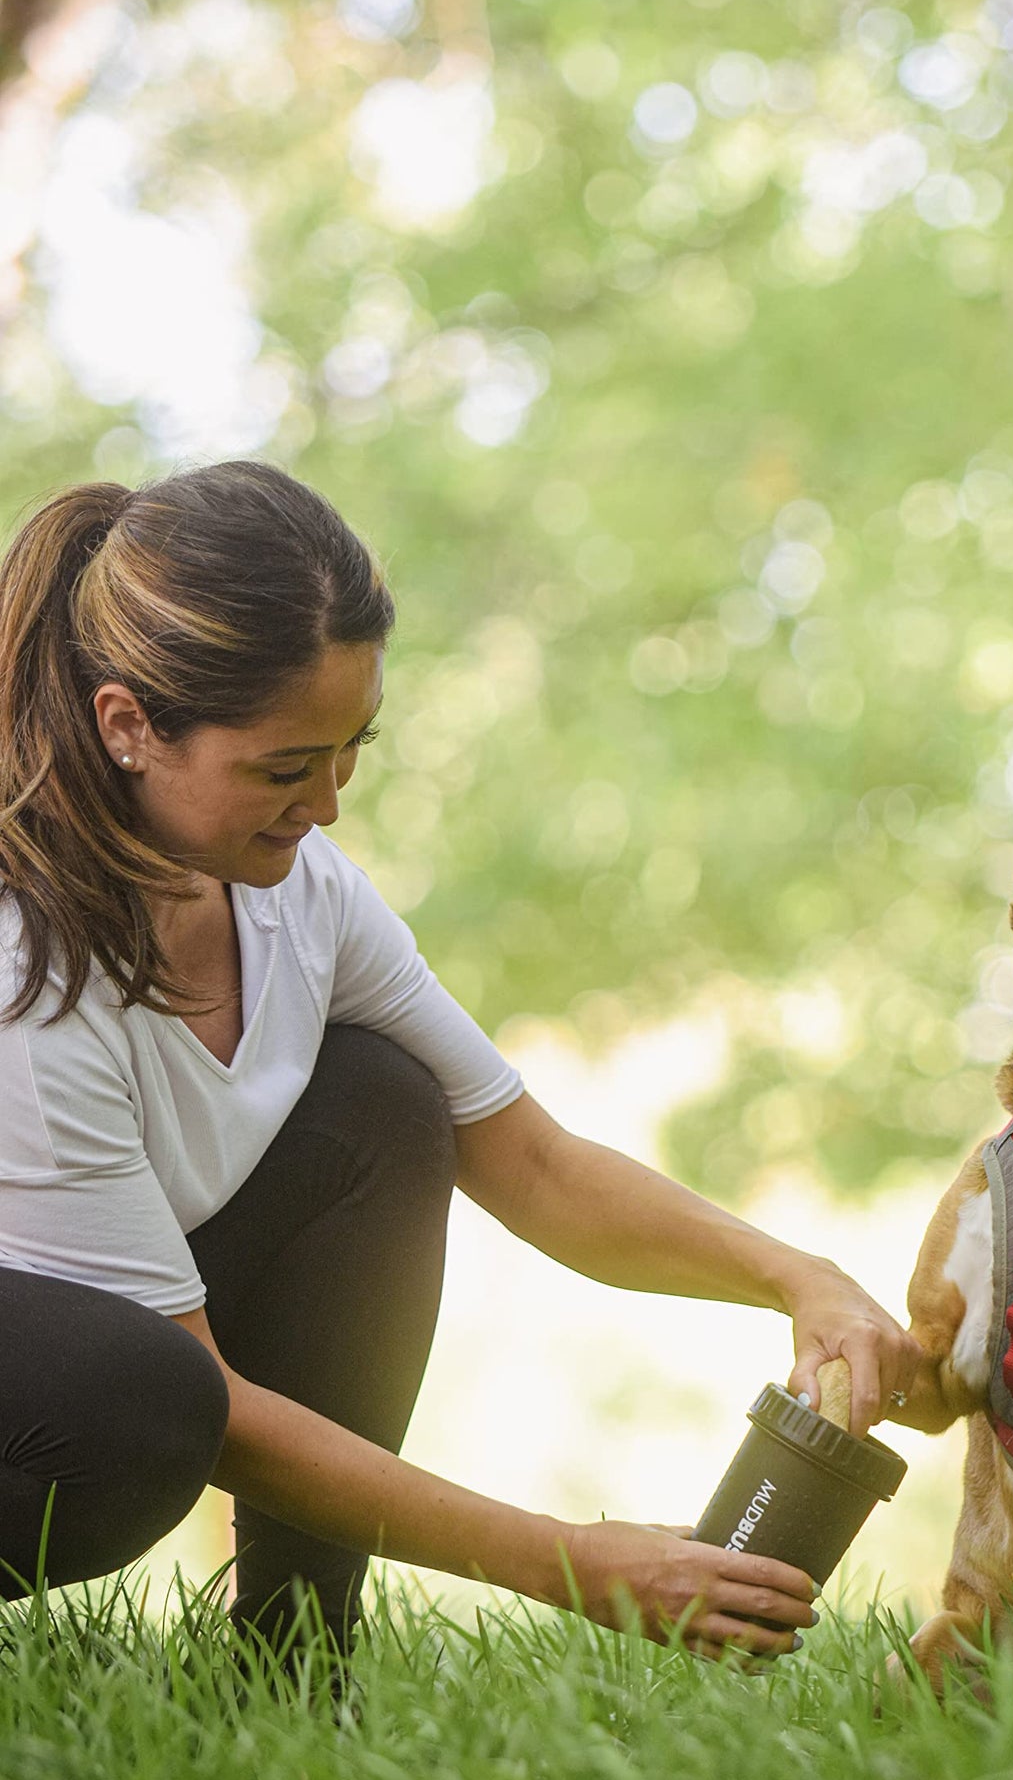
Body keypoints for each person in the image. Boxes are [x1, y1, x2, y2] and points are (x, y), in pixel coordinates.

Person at [0, 460, 918, 1666]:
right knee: (150, 1397)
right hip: (71, 1387)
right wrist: (562, 1560)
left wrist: (802, 1279)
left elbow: (530, 1161)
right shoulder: (29, 970)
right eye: (285, 767)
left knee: (383, 1101)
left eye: (349, 751)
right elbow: (212, 1403)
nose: (326, 804)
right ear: (128, 725)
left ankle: (291, 1665)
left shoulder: (300, 894)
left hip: (99, 1356)